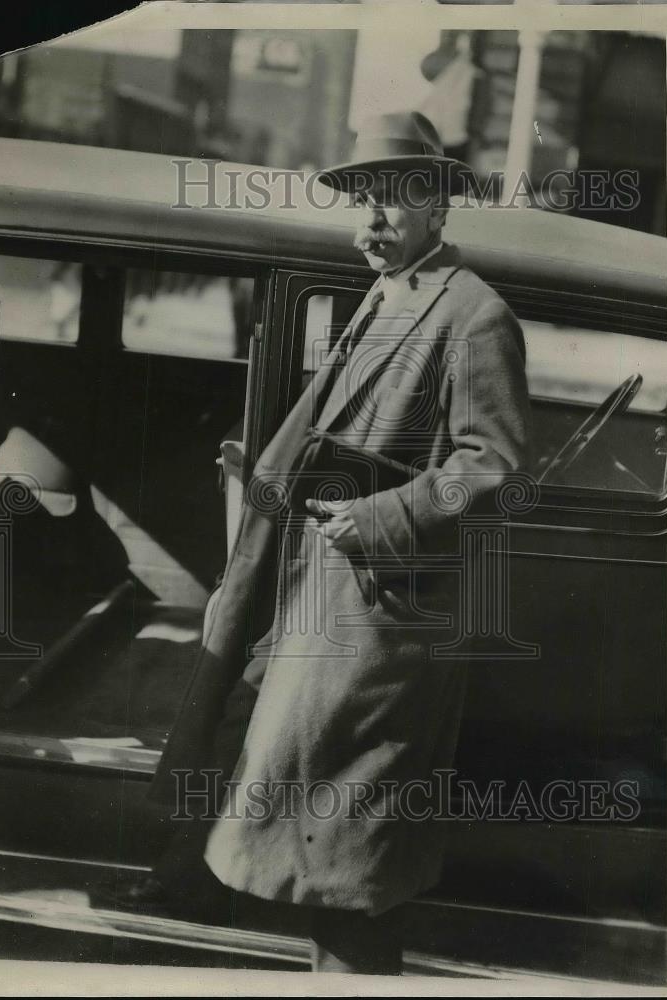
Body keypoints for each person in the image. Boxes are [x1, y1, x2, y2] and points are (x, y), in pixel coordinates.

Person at [104, 111, 533, 975]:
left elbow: (492, 467)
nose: (372, 221)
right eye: (363, 201)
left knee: (350, 871)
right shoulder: (390, 290)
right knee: (303, 825)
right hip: (319, 608)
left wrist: (377, 517)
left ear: (440, 208)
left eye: (394, 202)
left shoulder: (473, 316)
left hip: (374, 635)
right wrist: (266, 468)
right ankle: (184, 890)